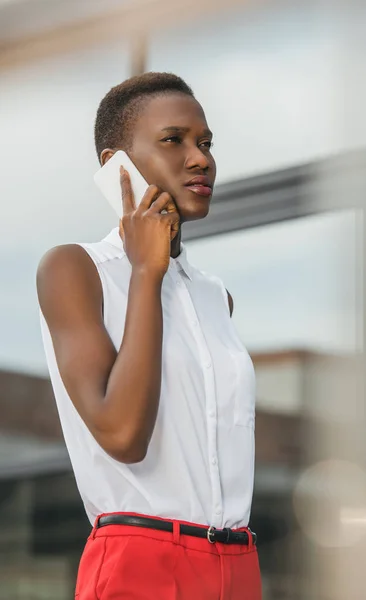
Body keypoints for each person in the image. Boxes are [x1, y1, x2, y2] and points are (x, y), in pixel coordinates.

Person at [37, 72, 261, 599]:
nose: (200, 158)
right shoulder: (76, 269)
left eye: (204, 143)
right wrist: (145, 272)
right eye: (173, 140)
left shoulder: (215, 297)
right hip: (141, 564)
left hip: (238, 562)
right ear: (114, 165)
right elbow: (122, 435)